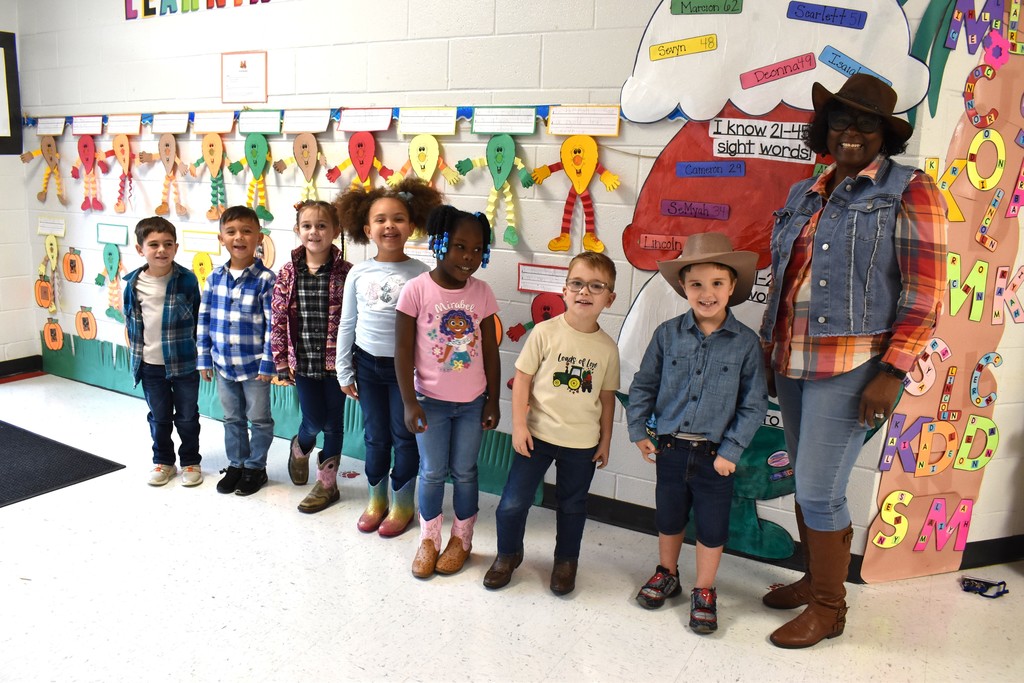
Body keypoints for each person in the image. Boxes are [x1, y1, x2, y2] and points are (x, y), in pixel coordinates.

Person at [760, 74, 947, 648]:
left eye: (867, 123)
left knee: (821, 490)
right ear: (825, 128)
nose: (851, 132)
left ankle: (828, 607)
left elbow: (925, 292)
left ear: (884, 135)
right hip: (793, 360)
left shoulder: (909, 190)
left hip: (855, 365)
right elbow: (787, 283)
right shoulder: (804, 192)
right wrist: (773, 348)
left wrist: (892, 372)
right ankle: (815, 577)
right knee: (807, 478)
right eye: (841, 120)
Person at [626, 232, 767, 633]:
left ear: (732, 286)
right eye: (696, 284)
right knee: (669, 517)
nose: (707, 293)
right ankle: (667, 572)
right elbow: (644, 385)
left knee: (711, 526)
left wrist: (731, 452)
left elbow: (753, 403)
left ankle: (704, 589)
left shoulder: (745, 344)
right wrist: (639, 428)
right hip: (669, 448)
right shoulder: (667, 334)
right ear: (683, 287)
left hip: (715, 456)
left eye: (717, 283)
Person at [484, 252, 620, 596]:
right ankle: (508, 553)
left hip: (583, 443)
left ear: (610, 298)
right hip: (537, 436)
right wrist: (519, 425)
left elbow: (606, 398)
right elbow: (522, 379)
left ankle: (566, 561)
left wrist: (605, 441)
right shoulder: (544, 333)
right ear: (564, 290)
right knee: (513, 502)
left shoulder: (607, 348)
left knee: (573, 506)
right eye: (577, 283)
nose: (584, 291)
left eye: (595, 286)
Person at [395, 206, 500, 578]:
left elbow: (490, 349)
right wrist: (409, 402)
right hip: (430, 403)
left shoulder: (482, 293)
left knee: (466, 472)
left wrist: (493, 399)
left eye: (476, 249)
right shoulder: (416, 290)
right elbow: (403, 350)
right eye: (459, 247)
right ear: (439, 243)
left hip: (472, 404)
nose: (468, 257)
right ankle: (429, 540)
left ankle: (462, 540)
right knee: (433, 471)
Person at [334, 178, 442, 536]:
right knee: (375, 436)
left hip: (405, 371)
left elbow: (428, 333)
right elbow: (347, 321)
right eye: (380, 219)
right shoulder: (359, 272)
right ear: (367, 229)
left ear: (411, 226)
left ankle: (402, 502)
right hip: (367, 366)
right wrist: (343, 369)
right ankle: (376, 498)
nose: (389, 225)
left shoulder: (422, 275)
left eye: (398, 218)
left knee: (403, 434)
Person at [271, 200, 353, 513]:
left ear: (335, 231)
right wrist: (280, 359)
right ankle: (300, 446)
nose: (314, 232)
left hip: (337, 365)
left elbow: (354, 320)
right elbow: (277, 319)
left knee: (333, 426)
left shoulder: (347, 273)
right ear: (297, 230)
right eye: (307, 226)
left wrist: (352, 362)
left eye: (321, 226)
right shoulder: (288, 273)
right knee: (314, 420)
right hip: (302, 364)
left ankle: (327, 485)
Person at [197, 206, 276, 496]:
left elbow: (272, 326)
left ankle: (256, 467)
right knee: (232, 417)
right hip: (223, 365)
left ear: (259, 238)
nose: (239, 237)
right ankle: (237, 464)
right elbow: (204, 319)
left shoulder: (267, 280)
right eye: (231, 232)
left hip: (254, 367)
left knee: (259, 419)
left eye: (246, 231)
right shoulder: (214, 278)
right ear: (221, 238)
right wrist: (204, 357)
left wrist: (269, 363)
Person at [123, 216, 202, 487]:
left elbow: (196, 320)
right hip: (150, 365)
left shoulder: (188, 281)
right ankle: (164, 461)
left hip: (184, 365)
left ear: (176, 248)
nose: (161, 250)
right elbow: (130, 323)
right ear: (140, 249)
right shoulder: (133, 285)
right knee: (159, 417)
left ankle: (191, 460)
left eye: (168, 244)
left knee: (188, 416)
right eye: (153, 244)